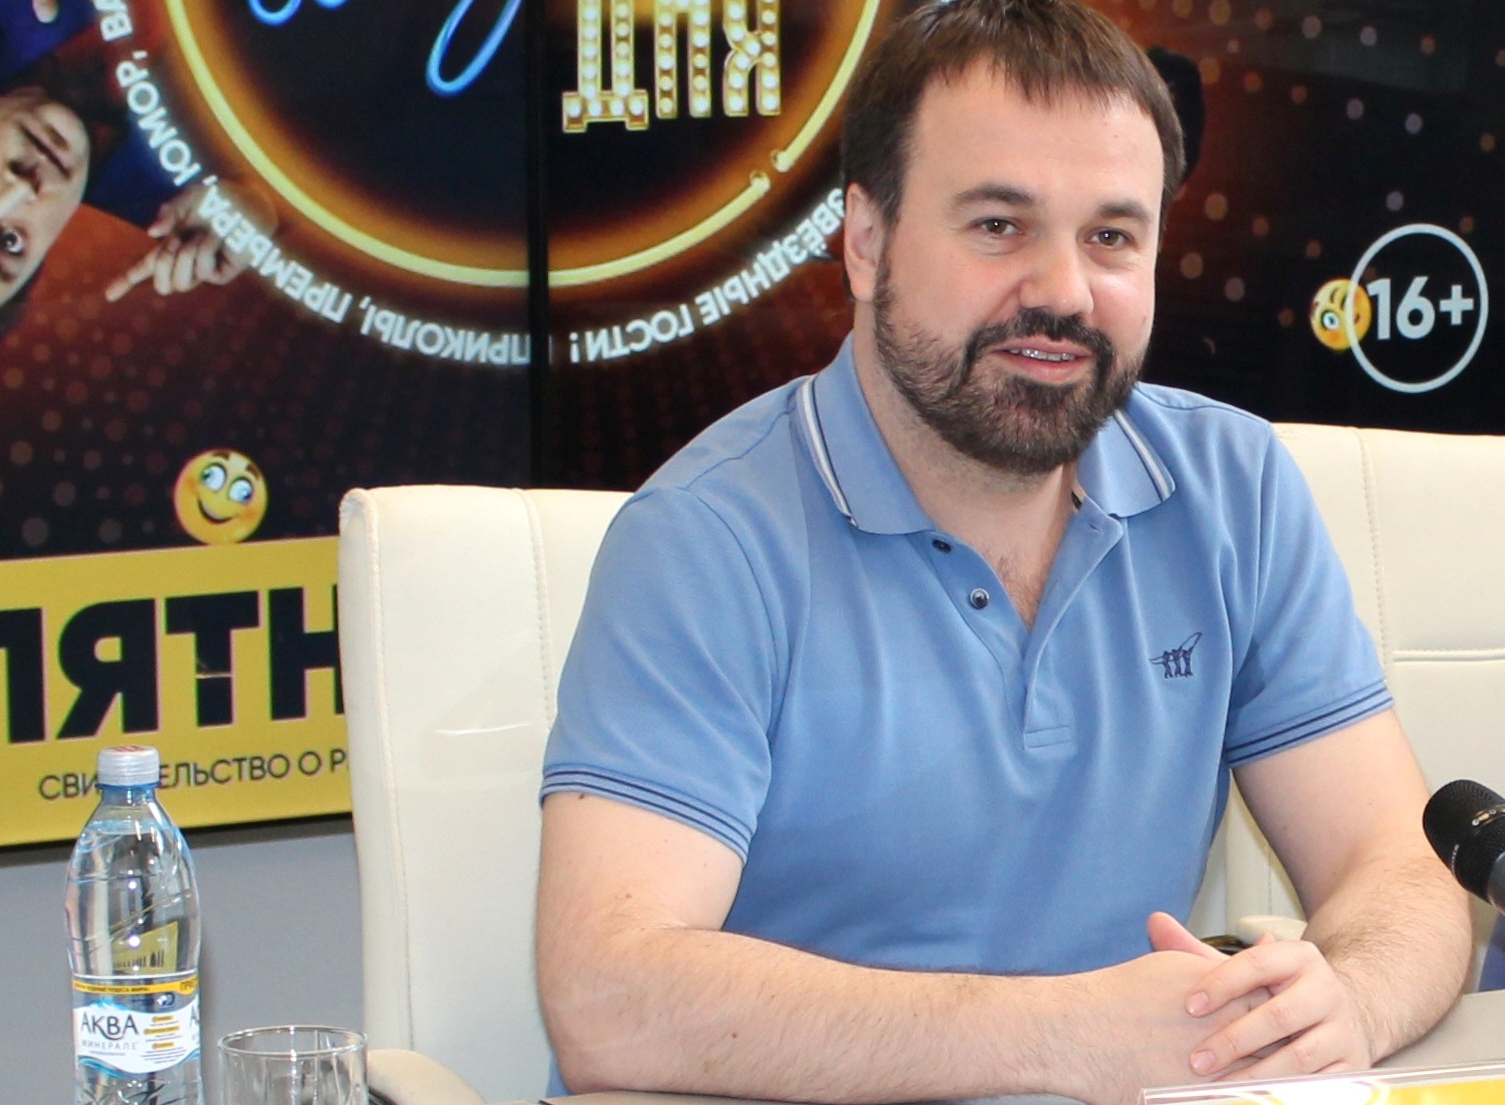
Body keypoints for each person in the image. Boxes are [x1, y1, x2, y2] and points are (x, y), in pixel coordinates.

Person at [534, 2, 1472, 1104]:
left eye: (1111, 237)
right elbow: (609, 994)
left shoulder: (1233, 488)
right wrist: (1062, 1035)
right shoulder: (707, 538)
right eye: (996, 225)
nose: (1063, 293)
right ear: (865, 241)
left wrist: (1345, 1002)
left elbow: (1397, 867)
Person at [0, 0, 269, 374]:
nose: (20, 188)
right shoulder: (194, 205)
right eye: (10, 242)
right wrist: (262, 202)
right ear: (34, 269)